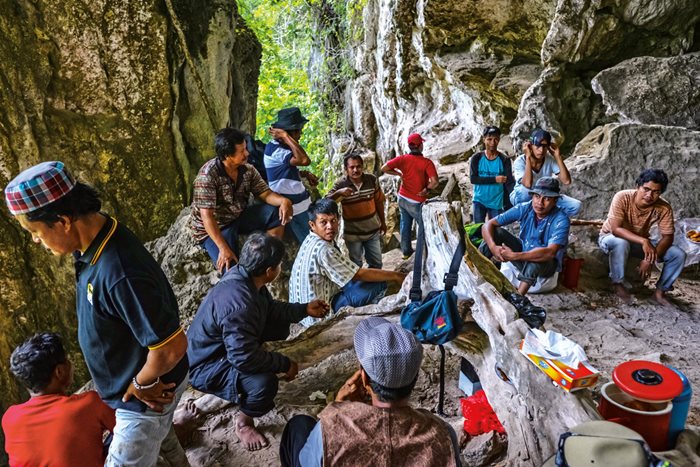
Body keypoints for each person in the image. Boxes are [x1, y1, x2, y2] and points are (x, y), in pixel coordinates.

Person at [4, 161, 190, 467]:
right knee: (161, 435)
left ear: (63, 220)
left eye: (35, 231)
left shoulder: (119, 270)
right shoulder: (92, 243)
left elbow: (171, 347)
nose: (35, 240)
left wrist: (141, 383)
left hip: (142, 399)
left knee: (146, 437)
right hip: (136, 392)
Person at [186, 233, 330, 451]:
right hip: (204, 365)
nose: (280, 268)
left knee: (280, 326)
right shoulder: (240, 304)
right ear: (270, 271)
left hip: (224, 346)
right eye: (279, 265)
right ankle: (243, 422)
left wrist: (303, 309)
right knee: (264, 384)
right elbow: (244, 358)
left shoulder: (245, 277)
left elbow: (269, 309)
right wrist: (284, 363)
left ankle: (244, 370)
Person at [279, 317, 461, 467]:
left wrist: (335, 411)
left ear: (364, 379)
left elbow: (308, 463)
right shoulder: (442, 433)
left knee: (299, 425)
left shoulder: (330, 428)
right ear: (415, 378)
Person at [3, 332, 115, 467]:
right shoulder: (90, 403)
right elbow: (128, 428)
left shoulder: (10, 418)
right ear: (59, 372)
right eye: (67, 359)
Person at [190, 127, 294, 273]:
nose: (247, 153)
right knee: (230, 267)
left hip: (238, 216)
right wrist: (223, 248)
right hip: (216, 227)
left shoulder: (247, 169)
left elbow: (264, 193)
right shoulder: (208, 176)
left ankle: (267, 259)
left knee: (276, 214)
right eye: (242, 151)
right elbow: (207, 216)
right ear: (227, 156)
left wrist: (284, 201)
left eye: (246, 148)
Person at [289, 199, 406, 327]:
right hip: (320, 314)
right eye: (323, 222)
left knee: (365, 277)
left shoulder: (311, 238)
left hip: (302, 313)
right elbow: (358, 274)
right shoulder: (324, 250)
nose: (330, 227)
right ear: (312, 225)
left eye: (333, 221)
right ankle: (370, 319)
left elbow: (352, 273)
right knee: (378, 283)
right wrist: (396, 276)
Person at [599, 169, 686, 306]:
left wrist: (649, 258)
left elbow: (668, 237)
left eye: (656, 192)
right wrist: (644, 241)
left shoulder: (664, 208)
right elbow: (616, 229)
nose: (649, 195)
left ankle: (659, 292)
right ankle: (617, 284)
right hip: (611, 238)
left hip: (637, 242)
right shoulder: (622, 197)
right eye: (646, 189)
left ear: (660, 193)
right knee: (621, 243)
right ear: (637, 186)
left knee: (678, 254)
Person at [480, 177, 570, 295]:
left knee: (537, 257)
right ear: (532, 196)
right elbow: (487, 225)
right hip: (522, 255)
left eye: (547, 198)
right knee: (497, 232)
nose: (540, 202)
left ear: (555, 201)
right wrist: (493, 248)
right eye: (537, 196)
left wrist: (514, 256)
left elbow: (550, 253)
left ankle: (519, 299)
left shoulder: (561, 219)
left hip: (545, 267)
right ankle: (475, 272)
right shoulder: (525, 207)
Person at [265, 107, 320, 244]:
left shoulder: (284, 148)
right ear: (290, 132)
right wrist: (285, 137)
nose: (301, 134)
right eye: (299, 131)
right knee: (314, 245)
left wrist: (303, 174)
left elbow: (283, 171)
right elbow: (304, 160)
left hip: (303, 205)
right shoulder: (275, 148)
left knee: (322, 243)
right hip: (296, 210)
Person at [381, 133, 439, 259]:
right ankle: (423, 253)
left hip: (402, 197)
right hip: (417, 201)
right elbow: (434, 182)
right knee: (423, 227)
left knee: (405, 225)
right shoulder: (426, 163)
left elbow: (384, 168)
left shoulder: (402, 159)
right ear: (420, 146)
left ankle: (406, 253)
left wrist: (398, 173)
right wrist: (427, 189)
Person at [326, 154, 387, 269]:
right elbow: (325, 202)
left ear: (362, 167)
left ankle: (377, 286)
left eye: (358, 166)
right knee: (356, 265)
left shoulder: (371, 180)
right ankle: (360, 286)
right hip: (352, 234)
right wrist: (339, 193)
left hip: (372, 231)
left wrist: (383, 223)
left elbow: (379, 202)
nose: (355, 170)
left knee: (376, 263)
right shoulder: (341, 184)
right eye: (352, 167)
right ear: (346, 169)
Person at [510, 128, 581, 217]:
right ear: (530, 146)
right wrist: (528, 157)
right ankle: (527, 216)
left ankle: (550, 218)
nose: (541, 150)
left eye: (544, 146)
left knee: (576, 206)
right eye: (538, 146)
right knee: (524, 191)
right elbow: (527, 184)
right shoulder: (520, 161)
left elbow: (566, 181)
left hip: (544, 195)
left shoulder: (549, 160)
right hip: (523, 196)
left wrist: (557, 156)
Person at [469, 126, 515, 222]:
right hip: (479, 200)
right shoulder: (476, 158)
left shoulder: (504, 160)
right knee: (477, 230)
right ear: (484, 140)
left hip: (497, 202)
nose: (492, 143)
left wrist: (515, 199)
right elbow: (473, 179)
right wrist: (495, 179)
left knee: (495, 232)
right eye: (489, 139)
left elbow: (509, 182)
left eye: (496, 139)